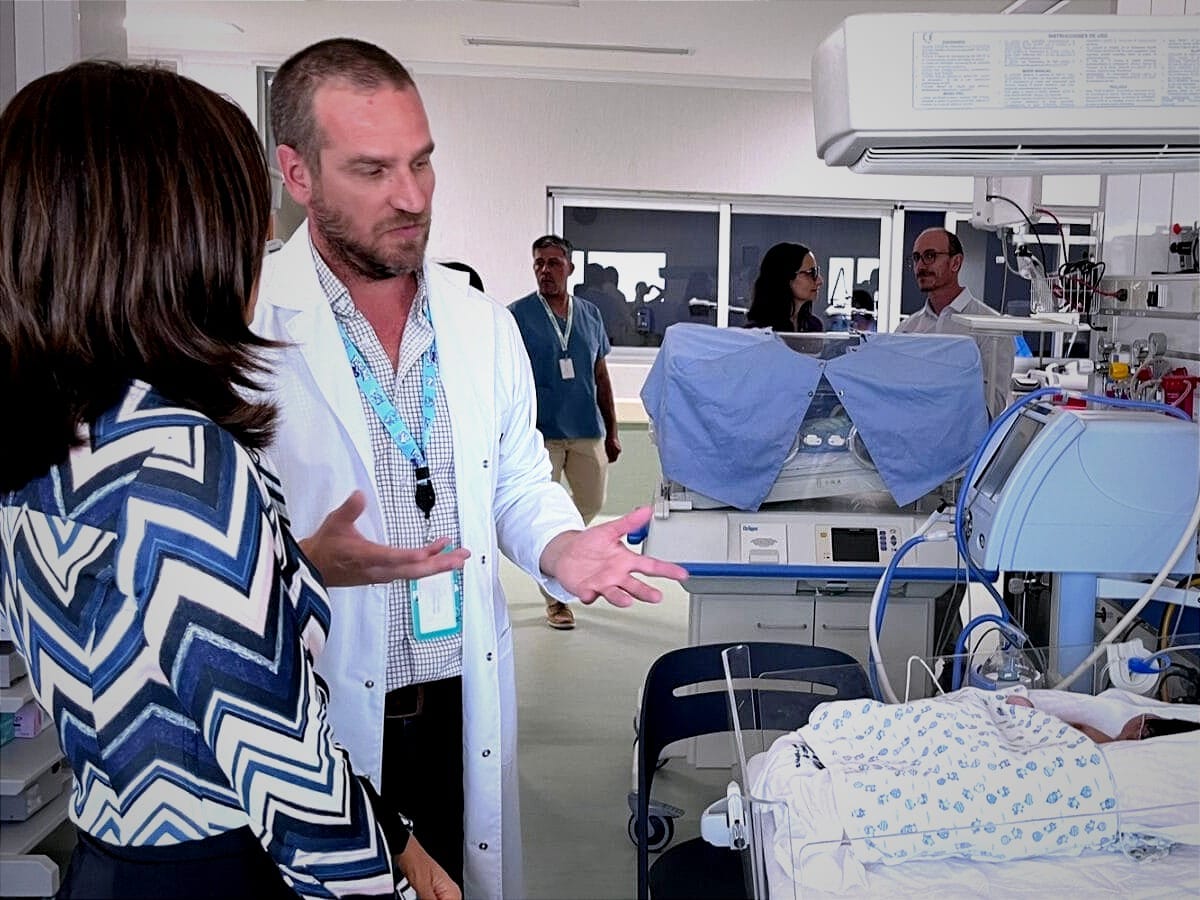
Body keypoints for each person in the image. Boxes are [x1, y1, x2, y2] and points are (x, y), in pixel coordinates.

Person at [0, 61, 457, 900]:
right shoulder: (182, 461)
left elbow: (146, 654)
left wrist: (293, 564)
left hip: (111, 855)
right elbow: (299, 796)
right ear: (179, 242)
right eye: (245, 225)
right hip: (219, 872)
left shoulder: (61, 432)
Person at [253, 38, 688, 899]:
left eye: (422, 163)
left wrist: (561, 547)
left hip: (459, 704)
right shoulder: (245, 326)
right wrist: (302, 561)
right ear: (297, 174)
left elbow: (517, 480)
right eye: (372, 170)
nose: (410, 197)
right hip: (323, 718)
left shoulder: (479, 323)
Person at [509, 235, 622, 630]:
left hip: (587, 429)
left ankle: (559, 548)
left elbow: (601, 375)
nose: (546, 270)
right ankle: (556, 598)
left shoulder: (590, 314)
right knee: (549, 514)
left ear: (570, 268)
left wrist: (613, 430)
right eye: (539, 263)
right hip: (539, 433)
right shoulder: (517, 315)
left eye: (554, 263)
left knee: (590, 502)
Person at [898, 228, 1015, 418]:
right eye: (917, 258)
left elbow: (990, 407)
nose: (920, 266)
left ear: (955, 263)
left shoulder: (992, 329)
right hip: (911, 440)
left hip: (964, 445)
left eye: (930, 256)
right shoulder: (906, 330)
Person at [1005, 695, 1200, 743]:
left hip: (1033, 737)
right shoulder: (1110, 742)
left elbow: (1073, 732)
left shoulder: (1109, 745)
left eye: (1147, 716)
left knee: (1016, 702)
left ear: (1142, 729)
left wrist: (1030, 714)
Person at [745, 241, 825, 333]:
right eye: (811, 273)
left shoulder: (813, 326)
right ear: (785, 277)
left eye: (816, 271)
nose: (820, 281)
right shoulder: (758, 332)